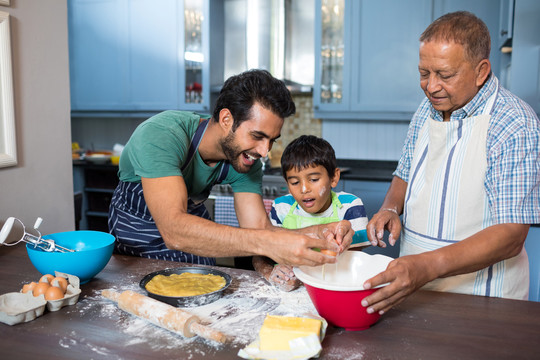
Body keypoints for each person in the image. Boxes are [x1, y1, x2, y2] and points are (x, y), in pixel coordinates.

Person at [363, 11, 540, 315]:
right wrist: (390, 207)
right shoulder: (427, 109)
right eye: (423, 73)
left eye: (444, 75)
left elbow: (511, 234)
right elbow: (405, 172)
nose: (431, 87)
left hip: (483, 300)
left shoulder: (515, 123)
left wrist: (425, 266)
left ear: (481, 71)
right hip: (414, 290)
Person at [108, 69, 353, 267]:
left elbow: (258, 229)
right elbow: (174, 231)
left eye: (272, 140)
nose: (264, 151)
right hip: (137, 250)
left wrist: (320, 232)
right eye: (257, 136)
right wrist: (267, 243)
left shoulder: (246, 159)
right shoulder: (161, 135)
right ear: (226, 119)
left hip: (194, 248)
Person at [253, 135, 370, 291]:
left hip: (333, 290)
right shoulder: (282, 208)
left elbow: (353, 262)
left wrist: (303, 276)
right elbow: (259, 256)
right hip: (287, 294)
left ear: (334, 178)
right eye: (294, 182)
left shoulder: (350, 206)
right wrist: (271, 272)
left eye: (314, 179)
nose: (304, 189)